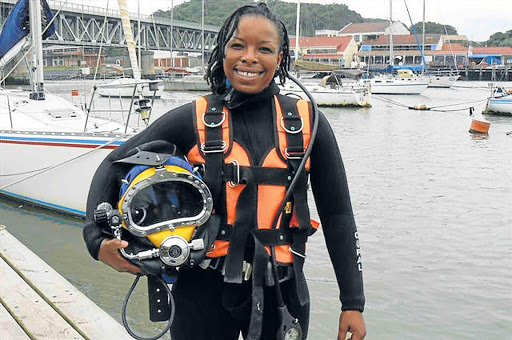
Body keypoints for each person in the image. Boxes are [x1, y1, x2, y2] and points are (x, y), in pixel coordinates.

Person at [83, 3, 366, 340]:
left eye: (264, 49)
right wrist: (96, 240)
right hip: (202, 288)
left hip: (283, 291)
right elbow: (113, 165)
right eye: (238, 46)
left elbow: (337, 214)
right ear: (222, 51)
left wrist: (352, 302)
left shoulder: (308, 124)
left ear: (280, 59)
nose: (249, 57)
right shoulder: (192, 118)